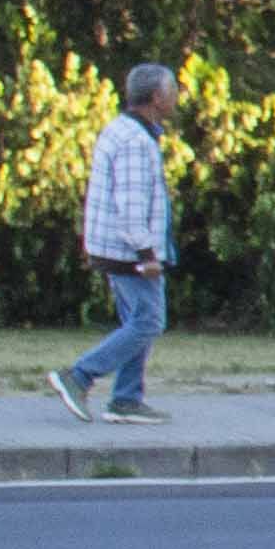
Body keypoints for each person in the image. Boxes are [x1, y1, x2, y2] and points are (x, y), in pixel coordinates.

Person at [46, 62, 181, 427]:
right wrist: (147, 254)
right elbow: (131, 204)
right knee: (149, 321)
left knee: (136, 320)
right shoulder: (136, 142)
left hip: (114, 247)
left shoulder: (123, 130)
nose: (176, 96)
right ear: (156, 97)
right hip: (129, 252)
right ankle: (80, 376)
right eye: (172, 90)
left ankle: (126, 399)